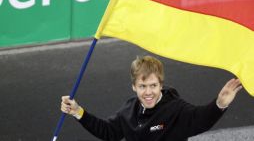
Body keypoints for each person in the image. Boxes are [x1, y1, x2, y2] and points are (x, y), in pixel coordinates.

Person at [61, 55, 242, 141]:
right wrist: (78, 112)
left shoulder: (175, 108)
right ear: (134, 87)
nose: (148, 92)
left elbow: (199, 119)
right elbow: (109, 132)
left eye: (153, 86)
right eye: (142, 86)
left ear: (161, 85)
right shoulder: (128, 111)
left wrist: (219, 104)